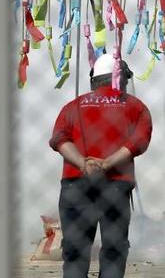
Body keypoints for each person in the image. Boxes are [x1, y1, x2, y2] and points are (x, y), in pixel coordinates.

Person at [49, 53, 153, 278]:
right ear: (121, 78)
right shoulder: (136, 106)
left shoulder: (73, 106)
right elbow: (139, 142)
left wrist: (82, 163)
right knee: (114, 250)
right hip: (115, 186)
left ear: (94, 79)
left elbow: (59, 139)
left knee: (75, 251)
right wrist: (106, 163)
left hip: (75, 185)